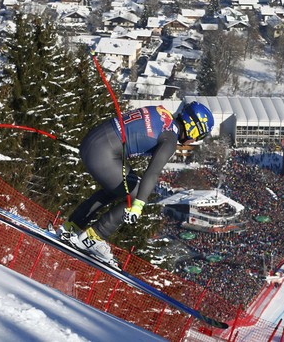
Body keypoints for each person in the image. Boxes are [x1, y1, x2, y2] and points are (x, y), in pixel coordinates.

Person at [58, 101, 214, 266]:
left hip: (93, 142)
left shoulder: (161, 112)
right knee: (135, 193)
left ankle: (71, 226)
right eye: (200, 136)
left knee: (119, 187)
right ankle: (93, 237)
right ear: (193, 128)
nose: (195, 140)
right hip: (103, 154)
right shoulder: (170, 138)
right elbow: (152, 172)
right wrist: (139, 205)